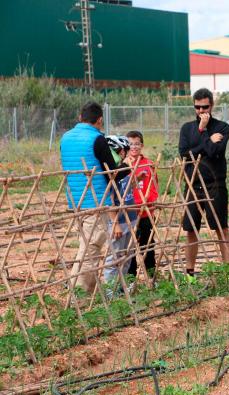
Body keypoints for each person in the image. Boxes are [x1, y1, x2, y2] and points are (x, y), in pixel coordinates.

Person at [60, 102, 128, 293]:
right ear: (99, 120)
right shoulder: (97, 139)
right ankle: (77, 291)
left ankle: (89, 291)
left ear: (80, 117)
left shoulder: (65, 138)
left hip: (75, 199)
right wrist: (128, 166)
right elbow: (111, 172)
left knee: (86, 242)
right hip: (95, 200)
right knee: (91, 246)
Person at [179, 88, 229, 274]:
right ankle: (190, 273)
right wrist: (206, 137)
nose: (201, 111)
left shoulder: (223, 127)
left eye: (205, 107)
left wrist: (202, 135)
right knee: (191, 230)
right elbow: (184, 155)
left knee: (220, 228)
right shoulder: (187, 128)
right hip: (193, 184)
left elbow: (214, 152)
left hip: (215, 184)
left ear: (212, 105)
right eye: (197, 107)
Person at [103, 136, 138, 287]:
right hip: (119, 221)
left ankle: (121, 287)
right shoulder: (110, 174)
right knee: (114, 258)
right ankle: (111, 290)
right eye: (124, 151)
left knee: (127, 256)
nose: (126, 154)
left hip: (131, 217)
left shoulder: (123, 170)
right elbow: (108, 200)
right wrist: (115, 222)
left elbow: (124, 192)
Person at [125, 131, 159, 279]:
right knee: (130, 248)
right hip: (131, 212)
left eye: (137, 143)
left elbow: (154, 184)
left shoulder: (149, 163)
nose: (134, 147)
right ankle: (131, 278)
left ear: (142, 145)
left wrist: (152, 202)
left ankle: (151, 276)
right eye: (131, 144)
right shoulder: (124, 164)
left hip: (147, 211)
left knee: (148, 246)